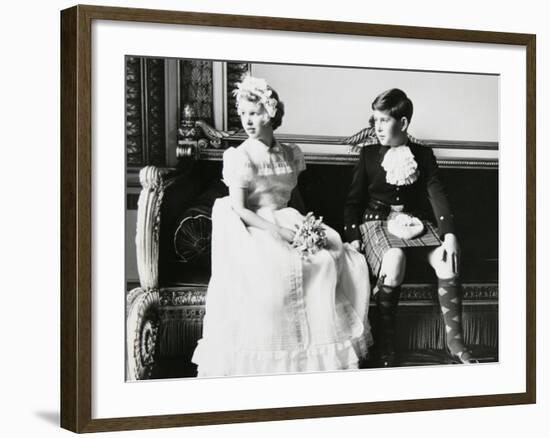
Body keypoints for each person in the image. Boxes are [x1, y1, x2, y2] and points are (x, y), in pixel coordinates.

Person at [192, 76, 372, 377]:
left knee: (329, 258)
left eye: (255, 113)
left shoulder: (290, 153)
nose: (248, 121)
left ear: (271, 113)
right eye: (245, 114)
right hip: (253, 225)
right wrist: (279, 232)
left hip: (288, 217)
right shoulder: (241, 156)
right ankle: (278, 357)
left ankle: (315, 356)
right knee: (277, 272)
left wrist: (306, 229)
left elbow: (292, 198)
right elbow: (239, 208)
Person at [344, 88, 477, 367]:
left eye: (383, 120)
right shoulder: (368, 155)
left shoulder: (424, 155)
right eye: (375, 120)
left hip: (417, 223)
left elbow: (437, 196)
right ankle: (386, 344)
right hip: (377, 223)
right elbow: (353, 203)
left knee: (447, 262)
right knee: (394, 259)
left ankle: (455, 344)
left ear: (402, 123)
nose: (376, 127)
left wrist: (449, 236)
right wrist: (354, 238)